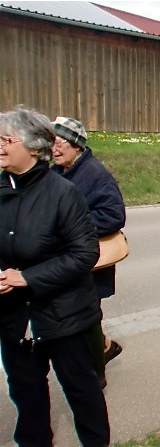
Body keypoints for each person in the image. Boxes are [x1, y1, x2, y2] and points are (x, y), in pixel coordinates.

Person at [0, 107, 110, 447]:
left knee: (83, 392)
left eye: (6, 140)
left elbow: (84, 254)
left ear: (33, 146)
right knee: (26, 395)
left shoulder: (63, 194)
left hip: (67, 317)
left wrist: (27, 278)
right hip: (15, 319)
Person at [51, 116, 126, 386]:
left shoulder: (95, 174)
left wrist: (71, 226)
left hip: (90, 263)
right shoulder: (55, 173)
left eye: (61, 143)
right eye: (52, 143)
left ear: (77, 146)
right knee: (79, 319)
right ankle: (104, 349)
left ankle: (97, 376)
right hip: (65, 262)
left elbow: (114, 215)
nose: (55, 149)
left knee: (87, 318)